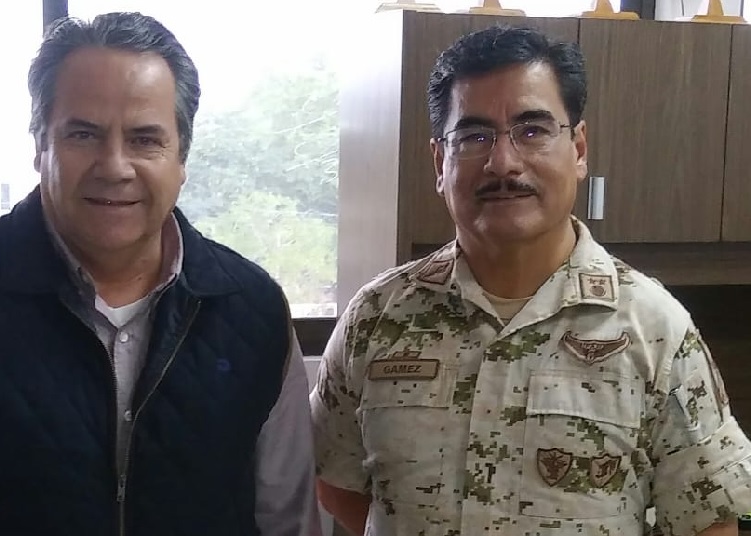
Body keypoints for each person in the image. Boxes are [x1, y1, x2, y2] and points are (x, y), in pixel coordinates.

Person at [0, 12, 321, 536]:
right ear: (39, 145)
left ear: (181, 157)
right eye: (83, 134)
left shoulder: (253, 309)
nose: (114, 166)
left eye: (144, 139)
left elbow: (287, 520)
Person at [310, 25, 751, 536]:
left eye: (533, 130)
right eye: (474, 137)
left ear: (578, 148)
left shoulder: (653, 328)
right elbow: (335, 481)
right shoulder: (376, 318)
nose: (503, 162)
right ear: (439, 162)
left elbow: (708, 518)